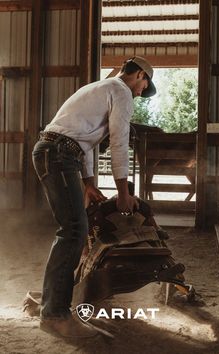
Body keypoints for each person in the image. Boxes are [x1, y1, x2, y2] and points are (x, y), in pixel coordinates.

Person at [32, 56, 156, 338]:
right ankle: (54, 315)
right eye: (144, 84)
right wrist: (123, 193)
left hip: (56, 152)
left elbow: (84, 144)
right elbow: (118, 142)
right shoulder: (121, 92)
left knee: (72, 231)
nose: (141, 92)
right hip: (59, 154)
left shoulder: (100, 89)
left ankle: (50, 303)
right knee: (74, 231)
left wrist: (88, 182)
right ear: (137, 75)